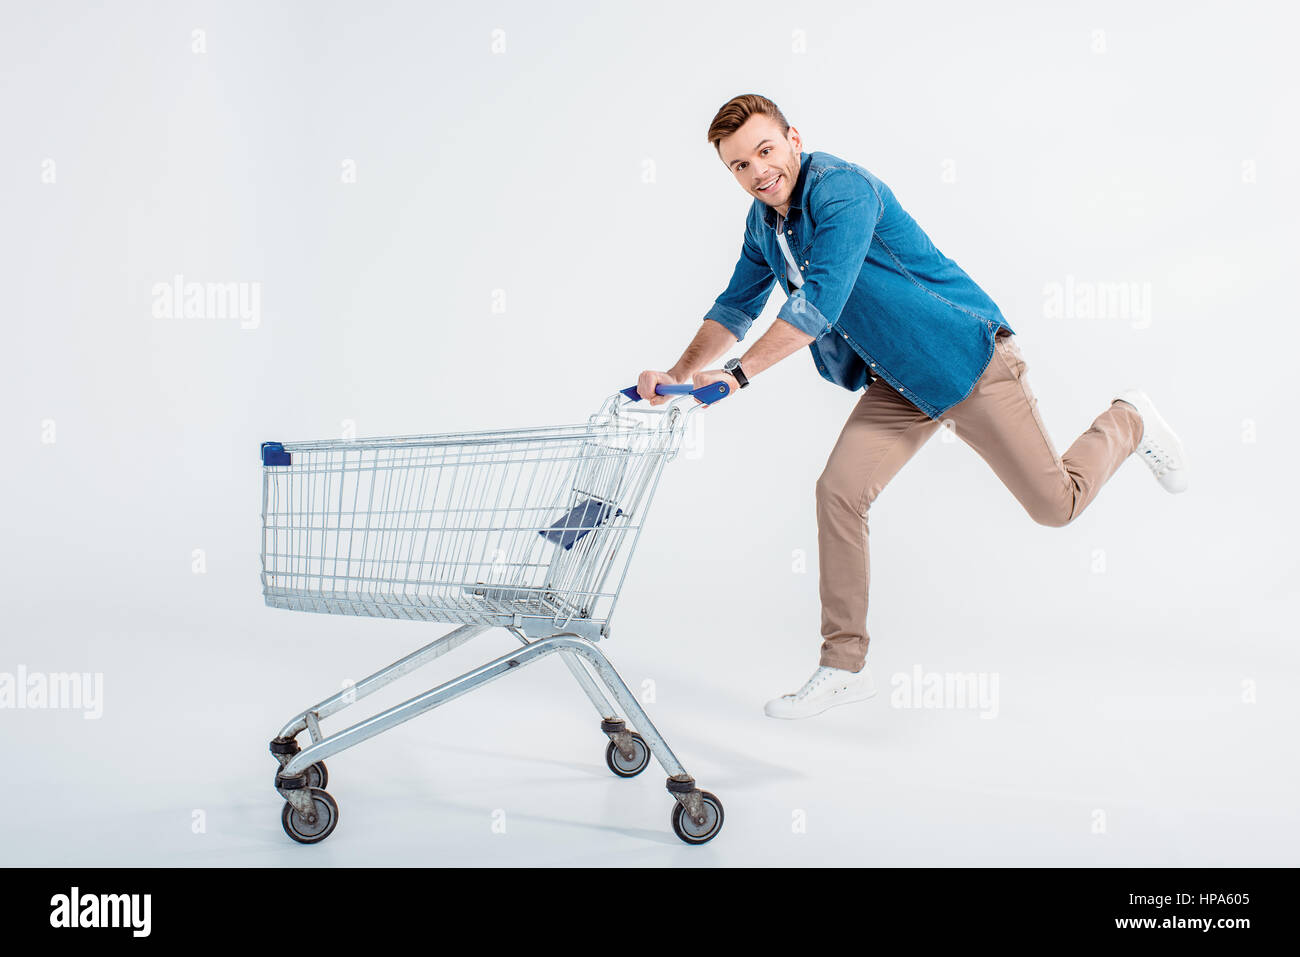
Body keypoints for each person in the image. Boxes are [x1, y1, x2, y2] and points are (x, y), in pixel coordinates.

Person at [636, 93, 1189, 720]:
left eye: (765, 151)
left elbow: (819, 302)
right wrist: (680, 374)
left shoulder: (843, 190)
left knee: (1055, 507)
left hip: (963, 361)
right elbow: (736, 303)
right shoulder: (764, 224)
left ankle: (1130, 419)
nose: (758, 172)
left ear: (794, 138)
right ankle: (843, 666)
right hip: (898, 381)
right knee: (838, 492)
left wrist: (737, 375)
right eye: (739, 165)